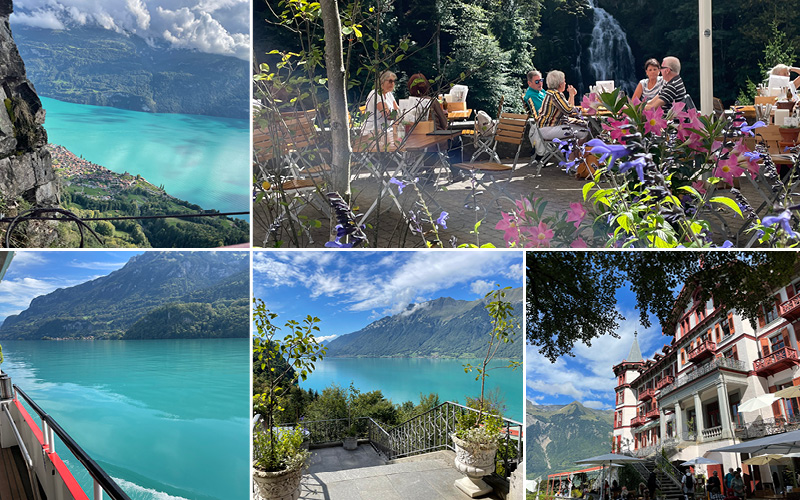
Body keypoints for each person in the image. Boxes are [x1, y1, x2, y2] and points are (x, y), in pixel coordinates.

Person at [406, 72, 463, 181]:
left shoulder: (408, 104)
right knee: (456, 139)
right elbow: (444, 123)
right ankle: (456, 173)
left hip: (416, 141)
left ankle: (429, 172)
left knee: (429, 141)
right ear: (426, 86)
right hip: (435, 141)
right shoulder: (432, 101)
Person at [536, 70, 591, 141]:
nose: (565, 83)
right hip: (548, 130)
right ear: (560, 84)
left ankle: (571, 151)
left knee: (582, 126)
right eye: (564, 81)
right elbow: (569, 111)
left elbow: (567, 108)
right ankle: (575, 152)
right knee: (584, 131)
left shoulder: (550, 93)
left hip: (545, 129)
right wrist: (571, 95)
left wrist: (572, 95)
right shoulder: (555, 95)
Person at [362, 70, 399, 135]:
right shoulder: (376, 94)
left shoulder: (389, 94)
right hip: (372, 133)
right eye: (390, 81)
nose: (392, 84)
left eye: (394, 81)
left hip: (386, 131)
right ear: (382, 81)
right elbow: (387, 115)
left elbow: (398, 110)